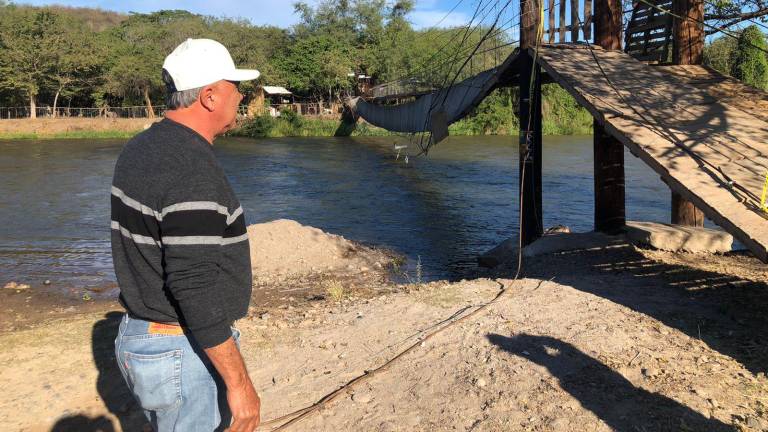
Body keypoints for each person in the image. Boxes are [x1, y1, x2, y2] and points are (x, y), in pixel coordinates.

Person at [110, 38, 261, 431]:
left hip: (143, 336)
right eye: (234, 87)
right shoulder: (192, 168)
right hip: (179, 346)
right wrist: (239, 383)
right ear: (210, 96)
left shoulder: (142, 147)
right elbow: (193, 284)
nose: (241, 96)